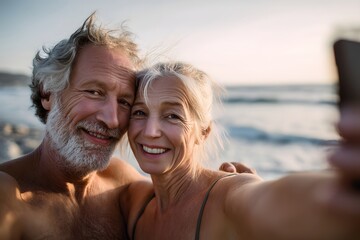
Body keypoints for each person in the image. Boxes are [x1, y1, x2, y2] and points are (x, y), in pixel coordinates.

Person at [0, 13, 248, 240]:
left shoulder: (123, 186)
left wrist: (236, 198)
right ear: (48, 94)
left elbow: (186, 204)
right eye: (95, 92)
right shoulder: (10, 194)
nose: (113, 120)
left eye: (125, 102)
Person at [126, 61, 360, 240]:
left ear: (203, 132)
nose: (150, 131)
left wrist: (343, 191)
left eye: (173, 116)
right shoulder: (134, 203)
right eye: (140, 112)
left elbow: (275, 200)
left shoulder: (228, 196)